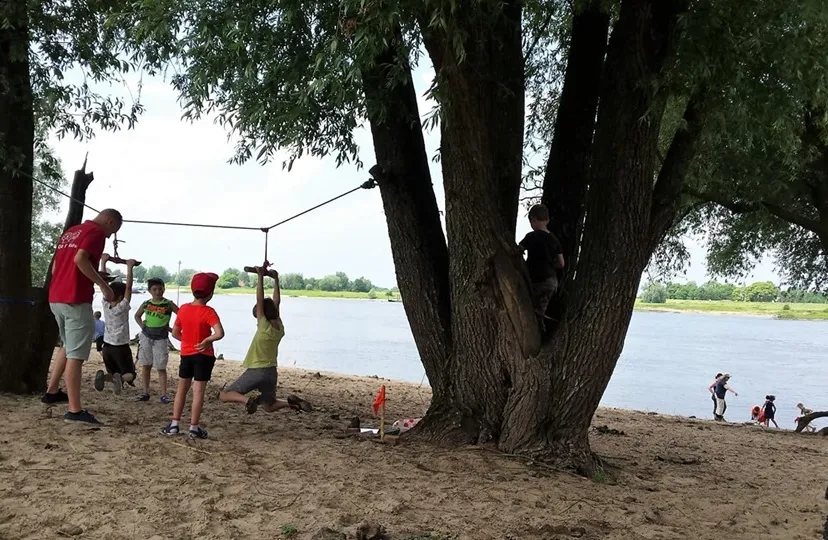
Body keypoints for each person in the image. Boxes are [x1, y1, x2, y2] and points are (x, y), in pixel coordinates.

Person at [42, 209, 122, 424]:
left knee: (67, 346)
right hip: (75, 299)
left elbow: (58, 267)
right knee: (76, 355)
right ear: (109, 220)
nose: (108, 236)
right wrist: (103, 285)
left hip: (56, 297)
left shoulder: (72, 232)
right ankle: (75, 410)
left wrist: (94, 273)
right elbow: (80, 259)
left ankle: (51, 392)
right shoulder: (95, 233)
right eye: (112, 231)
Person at [219, 267, 312, 414]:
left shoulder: (263, 326)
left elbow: (260, 298)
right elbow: (277, 302)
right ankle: (293, 404)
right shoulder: (279, 328)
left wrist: (260, 276)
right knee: (269, 405)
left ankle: (247, 401)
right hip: (271, 372)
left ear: (262, 312)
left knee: (224, 395)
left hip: (257, 370)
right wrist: (276, 279)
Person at [162, 273, 224, 438]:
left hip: (187, 354)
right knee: (198, 392)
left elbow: (175, 333)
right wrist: (206, 340)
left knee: (181, 390)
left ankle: (174, 424)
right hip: (204, 356)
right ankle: (193, 427)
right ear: (210, 294)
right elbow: (219, 333)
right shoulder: (208, 312)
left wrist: (187, 340)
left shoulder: (183, 309)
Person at [94, 254, 138, 394]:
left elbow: (103, 283)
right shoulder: (122, 307)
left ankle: (106, 377)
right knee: (131, 373)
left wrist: (103, 262)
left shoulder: (105, 305)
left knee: (113, 373)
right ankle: (123, 380)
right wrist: (130, 267)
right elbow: (129, 288)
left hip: (107, 347)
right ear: (121, 297)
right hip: (121, 347)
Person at [518, 204, 565, 331]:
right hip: (551, 281)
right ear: (547, 220)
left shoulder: (531, 236)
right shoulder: (554, 239)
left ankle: (536, 329)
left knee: (527, 304)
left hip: (537, 279)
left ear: (533, 219)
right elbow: (561, 263)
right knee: (541, 307)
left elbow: (517, 251)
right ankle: (541, 326)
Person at [134, 277, 178, 403]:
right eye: (154, 289)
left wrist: (172, 329)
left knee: (161, 366)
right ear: (149, 291)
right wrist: (142, 326)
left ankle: (164, 394)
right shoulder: (147, 304)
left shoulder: (168, 304)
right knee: (146, 365)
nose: (157, 292)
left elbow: (181, 315)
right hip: (147, 336)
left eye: (160, 289)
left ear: (164, 289)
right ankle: (145, 392)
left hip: (161, 338)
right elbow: (137, 315)